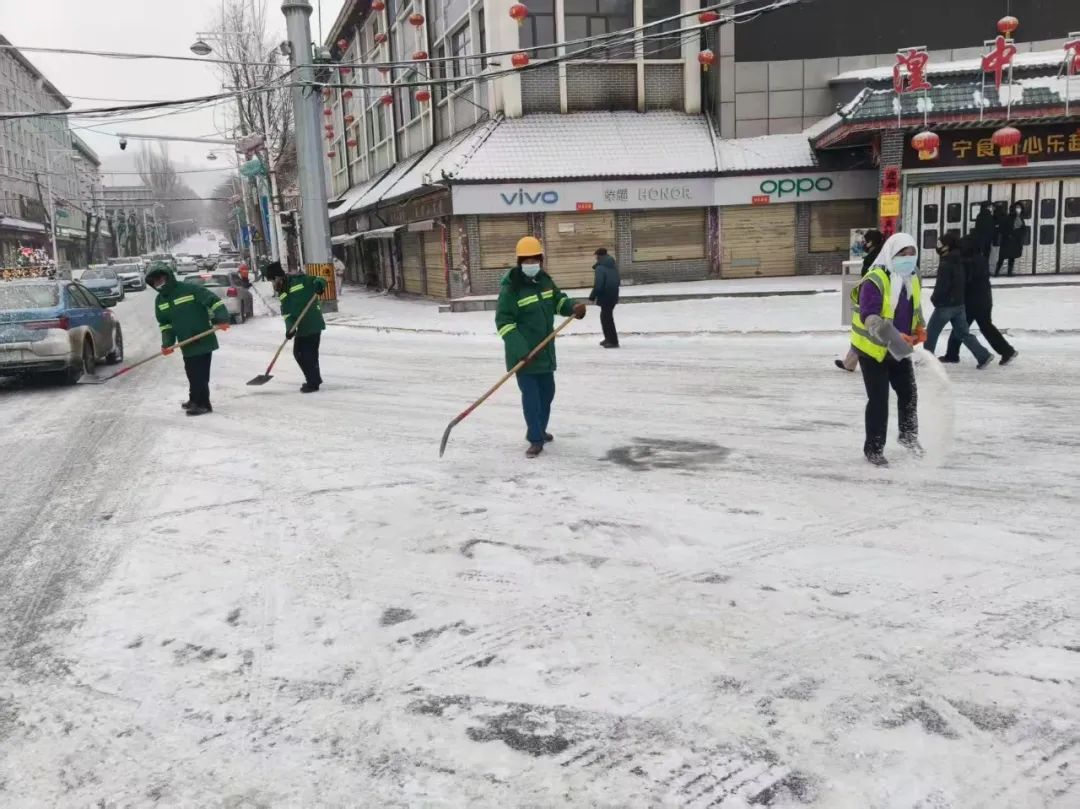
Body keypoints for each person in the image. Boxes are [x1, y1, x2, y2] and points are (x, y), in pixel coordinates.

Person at [495, 236, 587, 458]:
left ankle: (540, 429)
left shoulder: (545, 281)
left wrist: (572, 306)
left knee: (547, 394)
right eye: (526, 261)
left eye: (534, 260)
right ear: (519, 262)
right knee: (532, 399)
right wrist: (521, 350)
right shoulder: (511, 289)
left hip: (545, 352)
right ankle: (535, 438)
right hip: (525, 357)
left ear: (541, 260)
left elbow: (557, 301)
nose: (530, 264)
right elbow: (504, 322)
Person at [849, 233, 927, 466]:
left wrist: (920, 326)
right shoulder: (875, 280)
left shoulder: (912, 277)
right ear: (891, 254)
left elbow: (915, 307)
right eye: (903, 254)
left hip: (898, 347)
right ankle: (873, 448)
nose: (908, 258)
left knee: (909, 394)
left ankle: (908, 437)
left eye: (912, 253)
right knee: (879, 400)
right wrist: (893, 334)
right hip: (873, 351)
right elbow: (870, 318)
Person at [147, 261, 231, 417]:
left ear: (168, 277)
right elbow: (165, 325)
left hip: (202, 338)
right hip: (186, 343)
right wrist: (167, 343)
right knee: (191, 372)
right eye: (154, 281)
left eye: (160, 279)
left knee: (199, 373)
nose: (158, 283)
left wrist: (222, 318)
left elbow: (213, 300)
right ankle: (194, 400)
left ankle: (203, 404)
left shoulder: (189, 289)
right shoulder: (160, 300)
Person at [942, 236, 1018, 366]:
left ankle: (952, 355)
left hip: (972, 301)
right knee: (984, 327)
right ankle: (1007, 351)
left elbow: (965, 281)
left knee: (960, 326)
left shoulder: (967, 261)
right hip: (984, 299)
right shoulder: (980, 258)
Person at [923, 232, 994, 369]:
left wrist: (935, 299)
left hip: (945, 306)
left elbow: (942, 286)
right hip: (959, 305)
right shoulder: (960, 260)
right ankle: (983, 355)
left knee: (931, 333)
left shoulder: (946, 263)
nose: (937, 247)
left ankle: (927, 359)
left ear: (946, 246)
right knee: (963, 333)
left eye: (939, 244)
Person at [264, 262, 327, 393]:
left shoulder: (300, 280)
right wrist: (289, 329)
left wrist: (320, 285)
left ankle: (313, 382)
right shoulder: (282, 292)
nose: (273, 284)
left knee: (307, 355)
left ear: (277, 277)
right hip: (300, 327)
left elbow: (319, 279)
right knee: (299, 354)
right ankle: (314, 379)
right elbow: (287, 314)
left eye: (272, 280)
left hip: (312, 322)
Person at [836, 229, 884, 372]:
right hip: (876, 301)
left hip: (871, 302)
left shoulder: (873, 259)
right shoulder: (881, 255)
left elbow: (868, 281)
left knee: (863, 333)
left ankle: (852, 363)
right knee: (865, 334)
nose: (863, 243)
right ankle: (850, 363)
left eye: (865, 241)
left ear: (871, 242)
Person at [589, 247, 620, 348]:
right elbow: (618, 280)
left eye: (596, 256)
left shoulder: (600, 268)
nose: (595, 258)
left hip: (606, 295)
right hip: (613, 294)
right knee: (607, 318)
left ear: (599, 256)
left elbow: (599, 285)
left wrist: (592, 296)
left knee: (606, 319)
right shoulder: (613, 266)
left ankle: (613, 341)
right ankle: (609, 338)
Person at [995, 203, 1026, 277]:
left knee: (1011, 257)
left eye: (1019, 208)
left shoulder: (1020, 218)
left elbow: (1023, 229)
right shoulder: (1007, 218)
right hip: (1007, 241)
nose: (1019, 209)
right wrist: (1009, 234)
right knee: (1002, 257)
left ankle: (1009, 272)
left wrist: (1018, 234)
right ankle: (997, 272)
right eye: (1017, 208)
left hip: (1015, 241)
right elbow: (1001, 229)